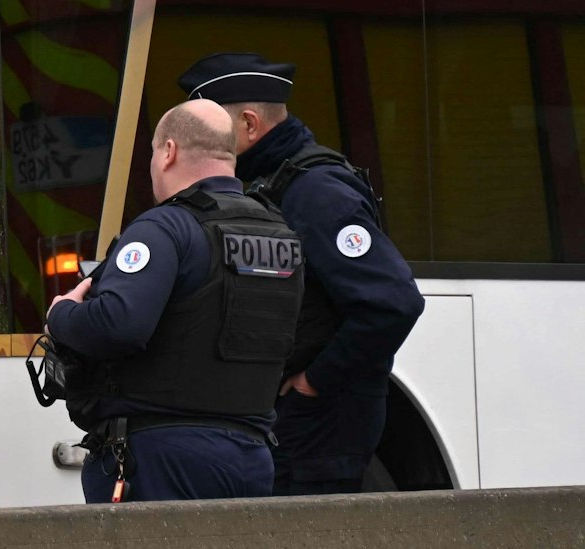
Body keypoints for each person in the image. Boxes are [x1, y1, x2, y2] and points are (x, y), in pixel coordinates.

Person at [178, 52, 425, 494]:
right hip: (291, 418)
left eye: (210, 129)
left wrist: (314, 382)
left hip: (319, 426)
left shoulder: (316, 190)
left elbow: (393, 304)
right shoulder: (268, 181)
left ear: (249, 124)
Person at [46, 99, 303, 503]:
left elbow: (119, 324)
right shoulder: (279, 232)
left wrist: (62, 313)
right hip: (252, 456)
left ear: (169, 152)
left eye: (152, 151)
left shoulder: (164, 227)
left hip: (160, 460)